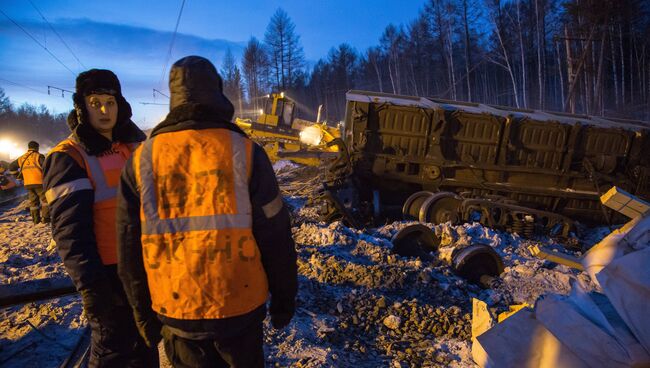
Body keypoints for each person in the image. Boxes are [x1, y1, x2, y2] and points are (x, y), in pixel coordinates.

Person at [116, 55, 297, 368]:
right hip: (239, 306)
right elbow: (276, 235)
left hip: (176, 309)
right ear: (218, 92)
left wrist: (142, 314)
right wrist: (284, 299)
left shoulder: (142, 159)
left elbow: (128, 245)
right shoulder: (246, 151)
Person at [42, 69, 159, 367]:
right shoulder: (69, 156)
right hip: (109, 277)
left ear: (121, 104)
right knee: (113, 352)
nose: (104, 110)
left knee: (147, 347)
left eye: (110, 101)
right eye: (95, 103)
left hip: (148, 270)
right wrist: (91, 286)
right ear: (82, 108)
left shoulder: (137, 148)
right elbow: (71, 232)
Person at [9, 141, 49, 223]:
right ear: (37, 147)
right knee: (46, 201)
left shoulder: (22, 158)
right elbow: (46, 167)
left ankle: (36, 220)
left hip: (28, 183)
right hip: (39, 182)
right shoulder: (39, 156)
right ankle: (46, 218)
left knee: (33, 203)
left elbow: (11, 167)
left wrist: (18, 176)